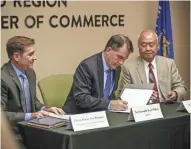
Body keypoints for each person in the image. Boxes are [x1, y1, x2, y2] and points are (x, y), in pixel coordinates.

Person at [1, 36, 64, 144]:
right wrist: (31, 115)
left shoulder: (30, 73)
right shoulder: (2, 77)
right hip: (13, 135)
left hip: (33, 130)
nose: (35, 57)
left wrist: (46, 108)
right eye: (30, 54)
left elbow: (33, 101)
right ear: (16, 56)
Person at [62, 34, 134, 114]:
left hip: (101, 115)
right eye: (120, 57)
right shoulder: (87, 66)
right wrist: (109, 104)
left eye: (124, 59)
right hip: (79, 116)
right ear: (108, 50)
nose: (121, 63)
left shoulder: (117, 67)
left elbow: (109, 95)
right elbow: (82, 99)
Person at [121, 30, 187, 103]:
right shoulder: (128, 67)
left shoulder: (169, 64)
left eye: (151, 45)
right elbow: (126, 95)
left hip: (166, 107)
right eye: (143, 45)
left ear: (157, 46)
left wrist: (175, 94)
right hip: (142, 110)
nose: (148, 49)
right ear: (138, 46)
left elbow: (181, 87)